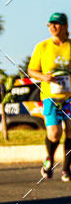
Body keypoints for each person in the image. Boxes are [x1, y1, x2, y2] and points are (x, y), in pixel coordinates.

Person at [27, 12, 71, 181]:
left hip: (69, 96)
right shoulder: (42, 47)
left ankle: (66, 169)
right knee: (54, 133)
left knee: (70, 131)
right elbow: (31, 70)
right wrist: (44, 77)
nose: (52, 27)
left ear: (65, 26)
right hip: (50, 96)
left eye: (57, 24)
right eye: (50, 24)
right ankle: (50, 158)